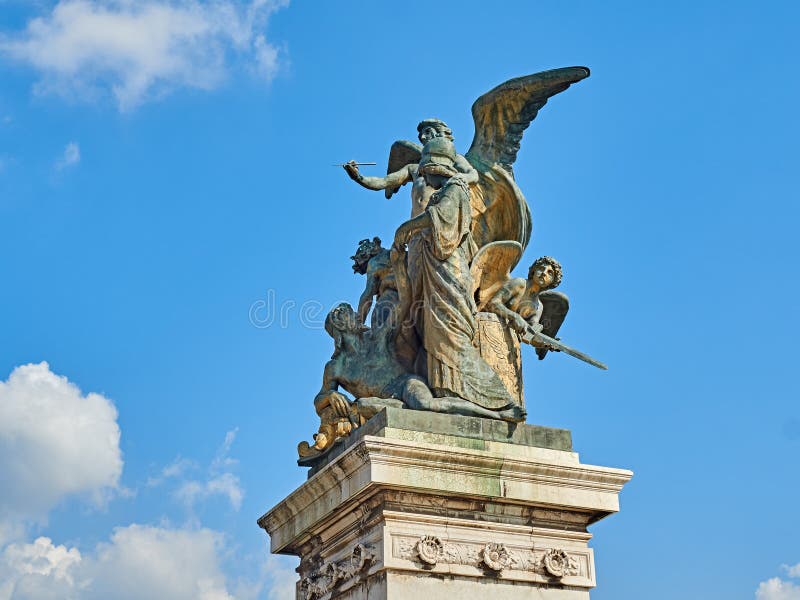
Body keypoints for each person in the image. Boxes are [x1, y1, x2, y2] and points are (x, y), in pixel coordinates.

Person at [391, 137, 524, 420]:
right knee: (436, 335)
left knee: (452, 337)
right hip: (436, 272)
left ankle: (499, 401)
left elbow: (440, 218)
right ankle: (447, 389)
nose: (424, 176)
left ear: (437, 168)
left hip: (449, 274)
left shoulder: (455, 189)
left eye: (427, 170)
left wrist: (407, 227)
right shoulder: (447, 190)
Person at [342, 118, 478, 217]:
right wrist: (358, 177)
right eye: (421, 136)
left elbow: (473, 175)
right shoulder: (413, 168)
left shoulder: (454, 159)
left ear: (439, 133)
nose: (423, 137)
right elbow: (384, 182)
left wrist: (458, 178)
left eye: (427, 132)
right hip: (416, 226)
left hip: (444, 218)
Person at [486, 256, 563, 335]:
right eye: (541, 268)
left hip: (508, 336)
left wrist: (542, 341)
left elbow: (530, 332)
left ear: (552, 282)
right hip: (490, 324)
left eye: (550, 273)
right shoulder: (519, 283)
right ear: (534, 271)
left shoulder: (539, 307)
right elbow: (493, 303)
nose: (544, 273)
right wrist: (515, 316)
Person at [350, 237, 397, 328]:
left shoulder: (374, 262)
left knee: (378, 323)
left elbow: (368, 295)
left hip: (393, 297)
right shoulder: (393, 252)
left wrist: (359, 322)